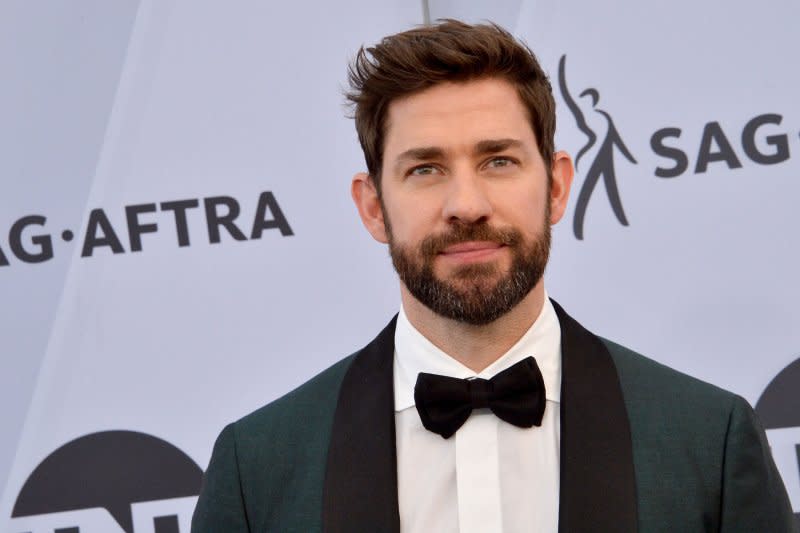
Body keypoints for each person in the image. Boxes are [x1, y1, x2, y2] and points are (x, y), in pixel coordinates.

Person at [191, 20, 796, 533]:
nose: (467, 204)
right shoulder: (258, 471)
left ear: (556, 186)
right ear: (373, 206)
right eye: (425, 168)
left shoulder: (707, 441)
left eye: (498, 161)